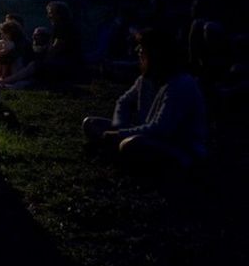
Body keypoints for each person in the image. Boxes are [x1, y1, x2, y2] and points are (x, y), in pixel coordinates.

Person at [82, 28, 207, 172]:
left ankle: (118, 153)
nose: (137, 51)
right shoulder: (146, 80)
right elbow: (124, 102)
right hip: (147, 134)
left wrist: (120, 134)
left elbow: (161, 128)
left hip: (178, 147)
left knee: (131, 144)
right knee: (91, 123)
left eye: (142, 48)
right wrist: (119, 127)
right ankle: (114, 149)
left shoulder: (180, 84)